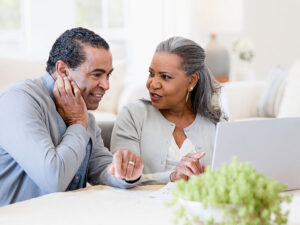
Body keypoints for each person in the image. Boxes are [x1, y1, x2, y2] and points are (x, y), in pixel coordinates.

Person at [0, 27, 143, 207]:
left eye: (108, 75)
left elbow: (100, 168)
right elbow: (54, 180)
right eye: (97, 74)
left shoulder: (83, 114)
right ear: (63, 70)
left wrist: (125, 172)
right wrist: (76, 123)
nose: (106, 85)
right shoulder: (18, 101)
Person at [111, 36, 226, 184]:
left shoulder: (216, 125)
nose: (152, 84)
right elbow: (121, 179)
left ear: (192, 81)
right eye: (151, 73)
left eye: (165, 77)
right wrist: (172, 176)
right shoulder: (132, 116)